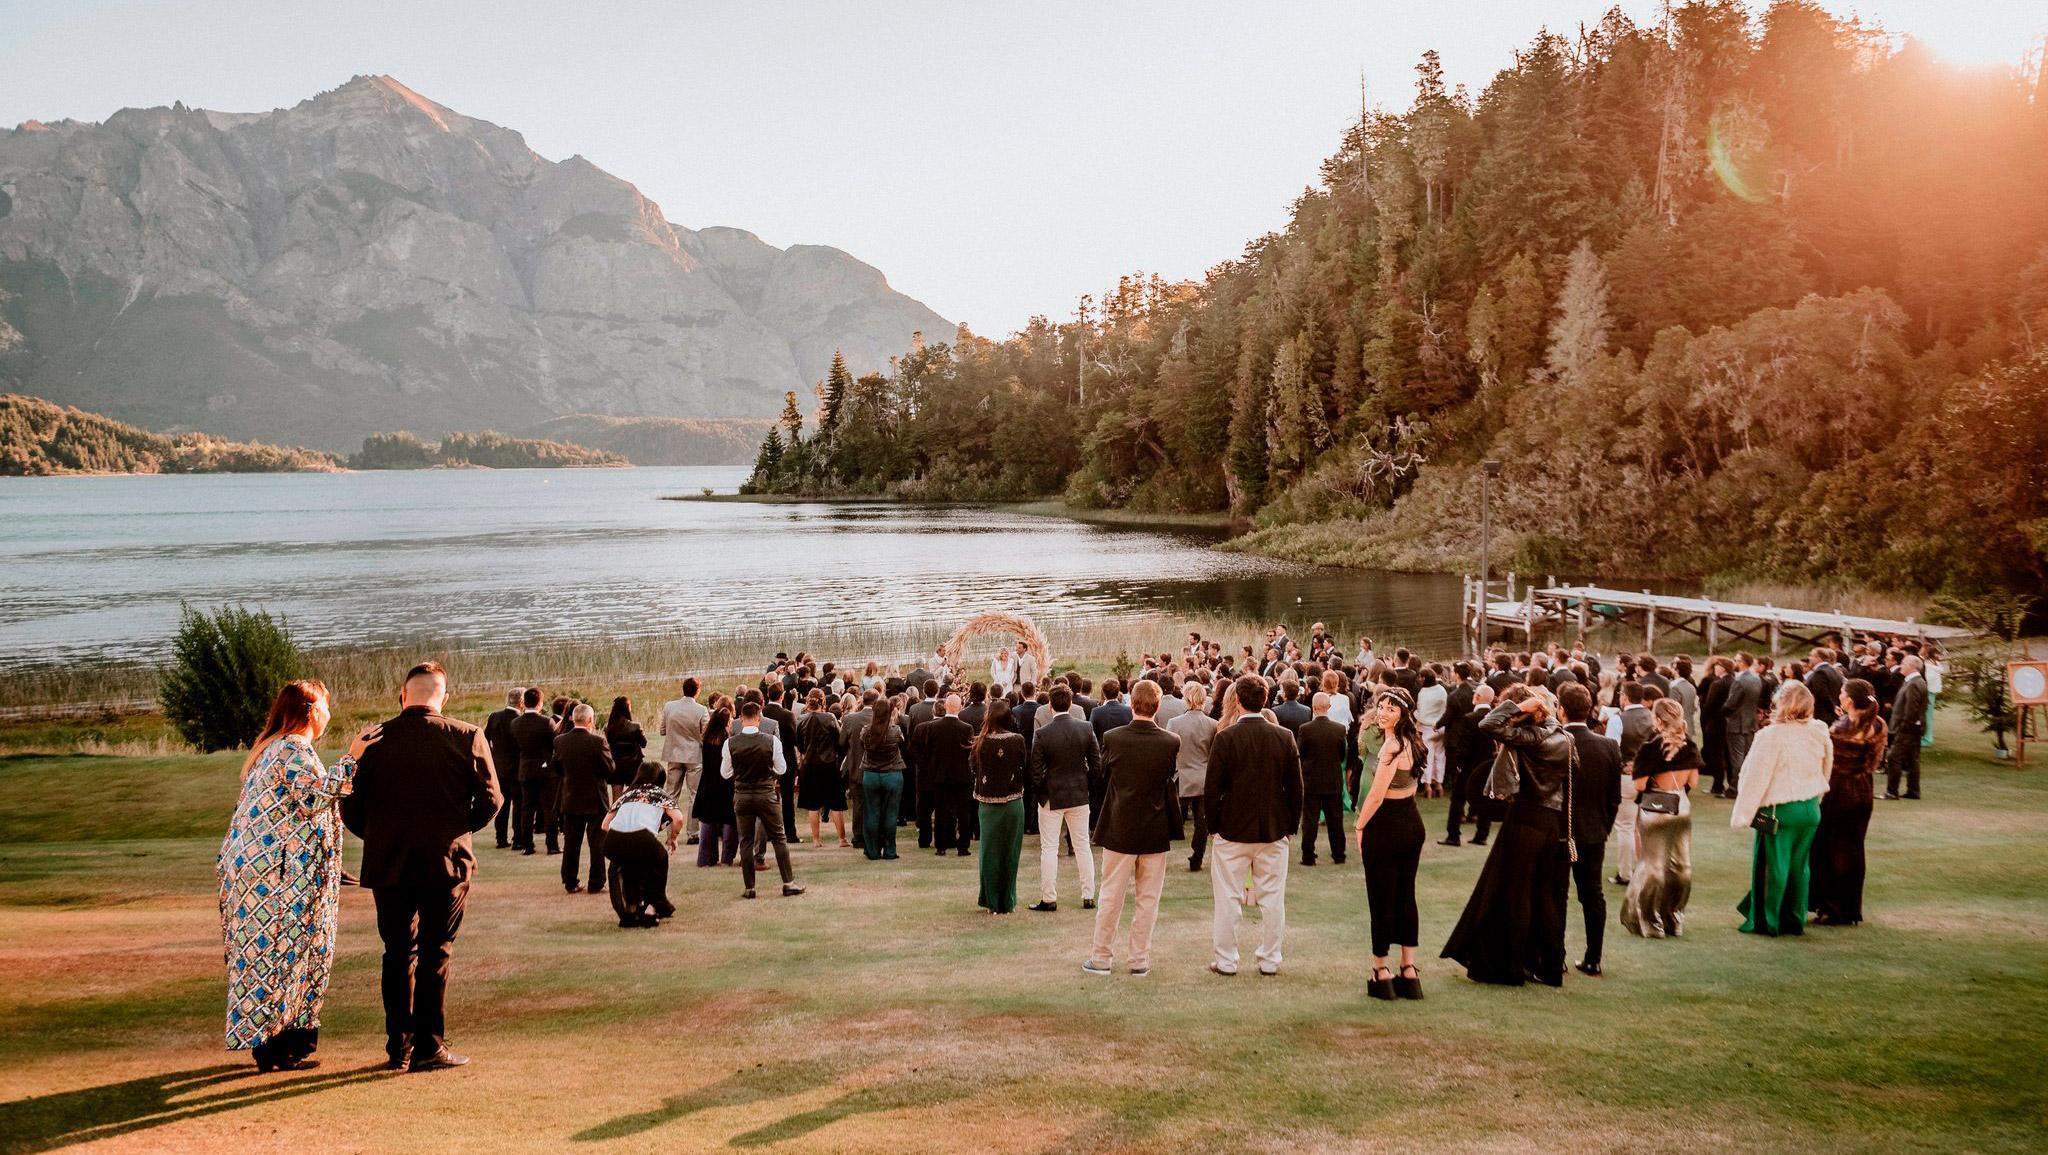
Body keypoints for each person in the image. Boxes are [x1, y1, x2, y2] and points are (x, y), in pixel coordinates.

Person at [340, 662, 501, 1073]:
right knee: (436, 952)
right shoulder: (467, 736)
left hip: (388, 862)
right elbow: (491, 801)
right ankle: (429, 1045)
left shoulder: (371, 742)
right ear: (443, 698)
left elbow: (349, 806)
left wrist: (379, 836)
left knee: (397, 953)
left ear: (402, 695)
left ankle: (399, 1045)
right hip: (444, 862)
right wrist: (455, 830)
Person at [218, 680, 377, 1072]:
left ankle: (286, 1042)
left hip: (270, 873)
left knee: (281, 955)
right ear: (310, 711)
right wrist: (353, 756)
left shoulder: (273, 749)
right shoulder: (291, 749)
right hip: (279, 879)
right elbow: (316, 797)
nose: (329, 714)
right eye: (325, 706)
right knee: (282, 956)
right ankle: (276, 1048)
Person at [1440, 685, 1575, 987]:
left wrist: (1516, 704)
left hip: (1526, 818)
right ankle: (1551, 967)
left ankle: (1513, 968)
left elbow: (1487, 724)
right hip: (1552, 821)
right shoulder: (1565, 737)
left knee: (1518, 896)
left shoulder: (1528, 739)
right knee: (1547, 896)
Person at [1204, 676, 1302, 977]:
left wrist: (1213, 825)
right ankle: (1270, 959)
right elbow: (1296, 788)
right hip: (1272, 829)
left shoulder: (1226, 738)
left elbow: (1212, 789)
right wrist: (1290, 826)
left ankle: (1227, 960)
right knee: (1273, 898)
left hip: (1234, 830)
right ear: (1265, 700)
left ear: (1237, 701)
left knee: (1228, 898)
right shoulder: (1283, 736)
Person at [1084, 680, 1182, 977]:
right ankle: (1138, 959)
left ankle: (1102, 957)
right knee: (1147, 899)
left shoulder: (1114, 739)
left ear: (1131, 704)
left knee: (1112, 895)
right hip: (1154, 827)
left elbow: (1101, 779)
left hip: (1121, 826)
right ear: (1158, 706)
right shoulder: (1170, 741)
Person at [1731, 681, 1833, 937]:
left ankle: (1769, 921)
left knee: (1773, 865)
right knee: (1800, 867)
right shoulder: (1819, 730)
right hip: (1810, 806)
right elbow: (1826, 765)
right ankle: (1794, 918)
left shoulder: (1771, 735)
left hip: (1781, 808)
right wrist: (1817, 796)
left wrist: (1743, 812)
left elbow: (1754, 775)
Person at [1354, 687, 1426, 1000]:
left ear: (1404, 714)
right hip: (1412, 823)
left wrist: (1359, 826)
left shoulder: (1393, 747)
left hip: (1387, 824)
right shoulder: (1414, 742)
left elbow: (1376, 794)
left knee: (1381, 898)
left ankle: (1381, 971)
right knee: (1406, 895)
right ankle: (1408, 970)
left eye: (1391, 709)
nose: (1383, 713)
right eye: (1381, 707)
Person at [1621, 698, 1700, 939]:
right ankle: (1674, 919)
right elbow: (1694, 782)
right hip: (1681, 808)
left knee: (1653, 867)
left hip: (1655, 809)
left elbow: (1640, 784)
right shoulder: (1689, 746)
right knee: (1681, 866)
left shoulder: (1651, 748)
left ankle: (1650, 922)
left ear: (1658, 720)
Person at [1812, 679, 1885, 926]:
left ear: (1849, 700)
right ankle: (1850, 906)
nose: (1839, 696)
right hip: (1864, 787)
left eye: (1842, 694)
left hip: (1840, 788)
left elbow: (1826, 753)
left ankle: (1833, 907)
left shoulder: (1842, 729)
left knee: (1831, 848)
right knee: (1853, 849)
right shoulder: (1877, 723)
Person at [1561, 684, 1621, 976]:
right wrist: (1604, 827)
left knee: (1556, 893)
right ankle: (1593, 958)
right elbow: (1614, 797)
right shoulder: (1608, 746)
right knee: (1592, 895)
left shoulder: (1558, 743)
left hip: (1561, 831)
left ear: (1561, 709)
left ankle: (1555, 957)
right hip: (1595, 831)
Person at [1030, 685, 1100, 911]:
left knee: (1049, 848)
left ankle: (1049, 897)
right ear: (1070, 704)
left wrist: (1044, 791)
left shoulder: (1043, 733)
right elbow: (1096, 764)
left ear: (1050, 706)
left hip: (1053, 796)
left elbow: (1035, 771)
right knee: (1082, 846)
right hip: (1078, 794)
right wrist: (1085, 784)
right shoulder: (1085, 728)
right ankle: (1088, 895)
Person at [726, 700, 805, 898]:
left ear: (741, 719)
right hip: (765, 793)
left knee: (745, 841)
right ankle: (788, 882)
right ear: (759, 719)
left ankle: (750, 887)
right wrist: (768, 773)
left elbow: (725, 772)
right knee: (779, 837)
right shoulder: (772, 741)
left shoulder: (731, 743)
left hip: (742, 793)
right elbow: (782, 769)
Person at [601, 766, 682, 927]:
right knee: (659, 862)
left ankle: (631, 910)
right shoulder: (658, 794)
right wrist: (673, 838)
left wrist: (623, 836)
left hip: (613, 840)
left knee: (630, 866)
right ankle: (651, 909)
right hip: (642, 837)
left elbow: (604, 825)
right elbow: (678, 818)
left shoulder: (627, 795)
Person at [970, 699, 1029, 913]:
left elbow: (973, 768)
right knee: (1010, 853)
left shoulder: (981, 742)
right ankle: (1008, 901)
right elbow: (1024, 765)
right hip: (1014, 803)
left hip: (988, 804)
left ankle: (991, 901)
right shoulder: (1018, 740)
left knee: (989, 853)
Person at [553, 702, 618, 896]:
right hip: (595, 798)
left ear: (573, 718)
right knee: (597, 843)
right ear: (590, 720)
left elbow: (557, 767)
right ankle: (596, 882)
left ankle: (570, 880)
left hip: (570, 796)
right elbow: (610, 770)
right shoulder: (598, 742)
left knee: (571, 842)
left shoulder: (560, 741)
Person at [911, 693, 976, 856]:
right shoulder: (966, 728)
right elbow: (970, 753)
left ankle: (941, 846)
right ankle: (963, 846)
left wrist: (931, 767)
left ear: (946, 706)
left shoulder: (934, 727)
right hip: (961, 776)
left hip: (940, 775)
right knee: (963, 812)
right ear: (960, 708)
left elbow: (930, 751)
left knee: (941, 811)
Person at [1605, 682, 1654, 886]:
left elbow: (1611, 751)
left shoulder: (1617, 720)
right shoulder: (1652, 717)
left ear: (1625, 696)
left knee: (1625, 826)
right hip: (1649, 777)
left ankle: (1625, 874)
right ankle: (1645, 869)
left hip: (1626, 777)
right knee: (1642, 826)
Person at [1167, 681, 1219, 872]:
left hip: (1181, 777)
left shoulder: (1174, 723)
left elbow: (1170, 753)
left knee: (1167, 817)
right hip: (1204, 777)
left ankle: (1158, 852)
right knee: (1201, 823)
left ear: (1186, 700)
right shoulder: (1213, 724)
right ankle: (1197, 859)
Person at [1297, 693, 1348, 867]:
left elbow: (1300, 753)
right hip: (1332, 778)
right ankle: (1339, 854)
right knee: (1335, 819)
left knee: (1310, 820)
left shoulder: (1305, 729)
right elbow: (1342, 754)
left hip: (1312, 779)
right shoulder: (1339, 729)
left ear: (1313, 707)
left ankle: (1308, 856)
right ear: (1329, 707)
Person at [796, 689, 849, 847]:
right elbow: (839, 741)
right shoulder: (830, 717)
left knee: (813, 805)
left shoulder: (801, 720)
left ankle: (816, 840)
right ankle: (841, 839)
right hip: (829, 764)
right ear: (823, 702)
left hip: (810, 765)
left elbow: (799, 743)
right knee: (836, 804)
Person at [657, 679, 708, 842]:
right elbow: (706, 734)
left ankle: (671, 832)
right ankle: (693, 833)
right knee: (694, 794)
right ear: (697, 691)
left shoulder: (669, 706)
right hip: (694, 755)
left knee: (671, 794)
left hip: (674, 754)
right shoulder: (701, 710)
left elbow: (663, 730)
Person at [859, 695, 908, 860]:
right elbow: (902, 744)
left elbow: (862, 746)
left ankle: (872, 850)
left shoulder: (866, 731)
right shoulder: (895, 731)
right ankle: (889, 850)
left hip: (871, 774)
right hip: (892, 774)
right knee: (890, 814)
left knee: (872, 813)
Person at [510, 688, 558, 855]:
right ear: (540, 703)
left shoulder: (515, 723)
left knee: (527, 809)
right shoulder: (547, 722)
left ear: (525, 702)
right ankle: (552, 845)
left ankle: (527, 845)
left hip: (525, 769)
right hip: (545, 770)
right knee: (549, 808)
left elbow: (516, 746)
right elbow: (555, 744)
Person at [693, 699, 738, 867]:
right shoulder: (728, 741)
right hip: (725, 783)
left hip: (708, 782)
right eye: (730, 720)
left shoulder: (707, 740)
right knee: (729, 820)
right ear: (725, 723)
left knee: (708, 820)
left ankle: (706, 858)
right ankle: (727, 857)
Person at [1883, 656, 1929, 800]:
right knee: (1912, 759)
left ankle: (1892, 791)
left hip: (1907, 728)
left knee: (1893, 757)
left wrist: (1903, 727)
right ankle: (1913, 791)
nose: (1901, 665)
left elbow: (1911, 709)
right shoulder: (1916, 681)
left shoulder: (1914, 683)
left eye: (1903, 663)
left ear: (1913, 667)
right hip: (1914, 727)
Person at [483, 687, 522, 848]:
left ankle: (501, 838)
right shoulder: (519, 721)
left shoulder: (494, 717)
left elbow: (485, 739)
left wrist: (493, 756)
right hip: (518, 767)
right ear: (521, 702)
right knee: (518, 805)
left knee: (503, 804)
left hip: (498, 767)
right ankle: (518, 838)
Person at [1720, 654, 1763, 799]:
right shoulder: (1756, 678)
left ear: (1743, 663)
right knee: (1746, 756)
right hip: (1750, 721)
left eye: (1736, 660)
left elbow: (1731, 703)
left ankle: (1734, 788)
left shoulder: (1740, 680)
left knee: (1737, 758)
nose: (1734, 662)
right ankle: (1745, 786)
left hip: (1737, 722)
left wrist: (1723, 712)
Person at [604, 696, 647, 794]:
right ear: (627, 708)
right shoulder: (635, 726)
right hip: (633, 766)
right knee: (633, 796)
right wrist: (642, 733)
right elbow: (643, 744)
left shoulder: (608, 728)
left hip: (616, 766)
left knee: (616, 799)